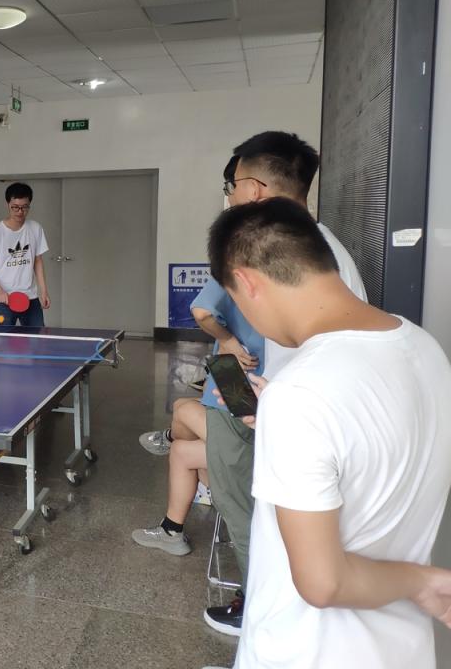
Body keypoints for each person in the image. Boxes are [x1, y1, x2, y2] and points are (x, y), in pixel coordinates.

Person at [206, 198, 451, 669]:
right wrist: (278, 416)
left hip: (305, 653)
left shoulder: (300, 395)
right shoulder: (425, 348)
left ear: (247, 283)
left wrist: (423, 582)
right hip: (403, 651)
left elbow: (324, 583)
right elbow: (366, 443)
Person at [202, 131, 367, 636]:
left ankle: (259, 611)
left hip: (284, 417)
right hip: (272, 401)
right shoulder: (324, 246)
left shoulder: (279, 255)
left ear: (254, 189)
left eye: (232, 185)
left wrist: (257, 402)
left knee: (253, 514)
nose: (229, 196)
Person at [133, 275, 263, 556]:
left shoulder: (237, 265)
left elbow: (201, 312)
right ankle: (172, 529)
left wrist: (226, 339)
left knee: (183, 414)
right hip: (247, 385)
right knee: (182, 429)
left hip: (251, 413)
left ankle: (176, 448)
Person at [0, 182, 51, 327]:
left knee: (38, 339)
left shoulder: (35, 228)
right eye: (15, 207)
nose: (20, 211)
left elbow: (37, 261)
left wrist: (43, 291)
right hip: (4, 300)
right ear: (8, 205)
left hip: (31, 298)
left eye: (24, 207)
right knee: (2, 341)